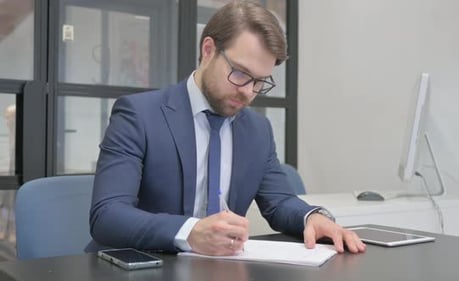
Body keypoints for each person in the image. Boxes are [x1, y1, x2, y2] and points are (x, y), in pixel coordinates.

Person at [86, 1, 365, 256]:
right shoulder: (139, 115)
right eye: (240, 73)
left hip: (219, 270)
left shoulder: (258, 130)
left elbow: (279, 202)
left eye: (259, 82)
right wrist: (191, 232)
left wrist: (312, 217)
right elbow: (108, 216)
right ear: (208, 50)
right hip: (143, 267)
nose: (247, 92)